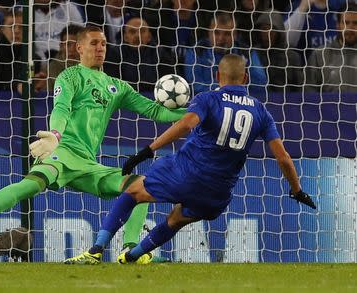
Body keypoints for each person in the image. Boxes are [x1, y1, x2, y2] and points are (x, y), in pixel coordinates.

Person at [0, 26, 186, 262]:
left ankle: (132, 250)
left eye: (103, 43)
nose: (100, 48)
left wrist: (195, 113)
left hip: (89, 165)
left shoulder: (118, 87)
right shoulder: (69, 76)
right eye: (94, 43)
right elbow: (61, 108)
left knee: (139, 186)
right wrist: (55, 135)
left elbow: (156, 111)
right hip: (62, 152)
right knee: (29, 187)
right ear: (79, 48)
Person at [65, 54, 316, 265]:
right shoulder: (260, 110)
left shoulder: (208, 98)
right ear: (246, 78)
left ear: (218, 76)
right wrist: (297, 190)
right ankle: (132, 256)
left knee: (132, 190)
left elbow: (186, 125)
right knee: (176, 219)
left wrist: (146, 151)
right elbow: (282, 157)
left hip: (185, 173)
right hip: (217, 194)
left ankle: (96, 250)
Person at [183, 12, 267, 96]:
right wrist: (231, 88)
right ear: (209, 33)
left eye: (227, 34)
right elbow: (195, 85)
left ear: (235, 35)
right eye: (216, 33)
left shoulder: (246, 53)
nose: (221, 38)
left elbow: (260, 84)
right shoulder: (196, 52)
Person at [104, 17, 176, 93]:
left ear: (149, 37)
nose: (137, 35)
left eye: (142, 31)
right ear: (125, 37)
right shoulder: (116, 54)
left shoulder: (160, 54)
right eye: (132, 31)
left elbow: (169, 82)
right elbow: (113, 84)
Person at [305, 3, 357, 93]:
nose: (350, 28)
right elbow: (308, 91)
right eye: (346, 23)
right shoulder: (320, 54)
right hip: (328, 107)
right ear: (337, 25)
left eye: (355, 23)